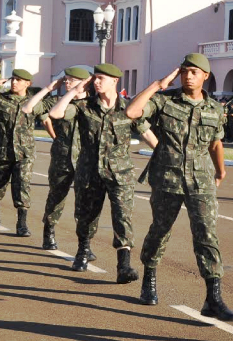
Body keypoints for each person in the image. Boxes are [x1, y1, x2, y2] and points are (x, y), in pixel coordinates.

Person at [126, 53, 233, 321]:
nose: (188, 76)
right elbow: (132, 112)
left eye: (194, 72)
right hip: (167, 179)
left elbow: (215, 143)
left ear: (205, 76)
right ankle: (149, 281)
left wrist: (221, 170)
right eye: (185, 71)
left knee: (207, 236)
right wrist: (158, 84)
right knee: (160, 231)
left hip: (201, 180)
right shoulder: (164, 101)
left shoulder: (215, 108)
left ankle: (213, 299)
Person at [49, 63, 158, 283]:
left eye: (100, 78)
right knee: (86, 216)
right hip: (89, 173)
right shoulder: (84, 106)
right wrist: (75, 90)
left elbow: (149, 135)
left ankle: (124, 266)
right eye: (94, 78)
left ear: (115, 81)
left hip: (120, 174)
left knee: (122, 217)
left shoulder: (128, 108)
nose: (96, 82)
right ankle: (83, 252)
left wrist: (163, 155)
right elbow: (56, 113)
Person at [22, 66, 99, 254]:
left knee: (86, 203)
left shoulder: (93, 105)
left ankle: (85, 244)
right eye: (66, 80)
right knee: (56, 198)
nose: (66, 83)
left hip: (86, 161)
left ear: (84, 83)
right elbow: (28, 108)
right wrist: (49, 88)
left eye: (71, 80)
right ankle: (48, 231)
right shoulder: (56, 102)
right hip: (62, 159)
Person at [0, 69, 49, 236]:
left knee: (22, 185)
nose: (14, 82)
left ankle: (22, 223)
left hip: (25, 151)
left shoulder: (33, 101)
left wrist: (55, 137)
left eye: (19, 80)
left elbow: (46, 118)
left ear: (28, 83)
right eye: (13, 79)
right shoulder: (0, 99)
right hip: (2, 151)